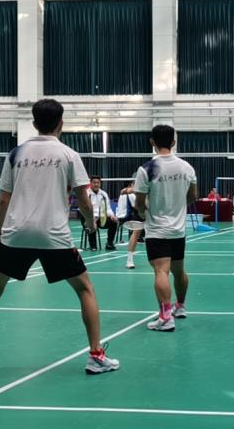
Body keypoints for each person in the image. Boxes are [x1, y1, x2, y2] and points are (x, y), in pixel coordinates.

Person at [0, 99, 118, 375]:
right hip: (53, 236)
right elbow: (84, 200)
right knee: (85, 289)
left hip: (16, 235)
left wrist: (1, 240)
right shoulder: (69, 155)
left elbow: (4, 200)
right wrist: (91, 223)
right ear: (61, 123)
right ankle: (95, 355)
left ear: (34, 123)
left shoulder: (16, 154)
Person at [132, 124, 198, 333]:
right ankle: (180, 306)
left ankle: (166, 318)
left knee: (161, 271)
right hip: (179, 230)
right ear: (173, 142)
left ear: (152, 142)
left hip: (157, 230)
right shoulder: (187, 167)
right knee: (179, 271)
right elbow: (193, 196)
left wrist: (143, 213)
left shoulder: (146, 169)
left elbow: (139, 202)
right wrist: (177, 207)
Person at [77, 176, 118, 251]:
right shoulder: (86, 194)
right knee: (91, 224)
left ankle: (109, 243)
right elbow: (82, 209)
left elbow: (108, 208)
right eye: (94, 182)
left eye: (98, 183)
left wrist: (112, 215)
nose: (96, 184)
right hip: (87, 217)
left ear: (100, 184)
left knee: (113, 222)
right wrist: (91, 219)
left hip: (101, 218)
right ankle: (93, 246)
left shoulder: (103, 194)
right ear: (90, 183)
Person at [117, 184, 144, 269]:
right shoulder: (131, 193)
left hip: (138, 215)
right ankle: (129, 260)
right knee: (136, 233)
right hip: (131, 217)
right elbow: (136, 206)